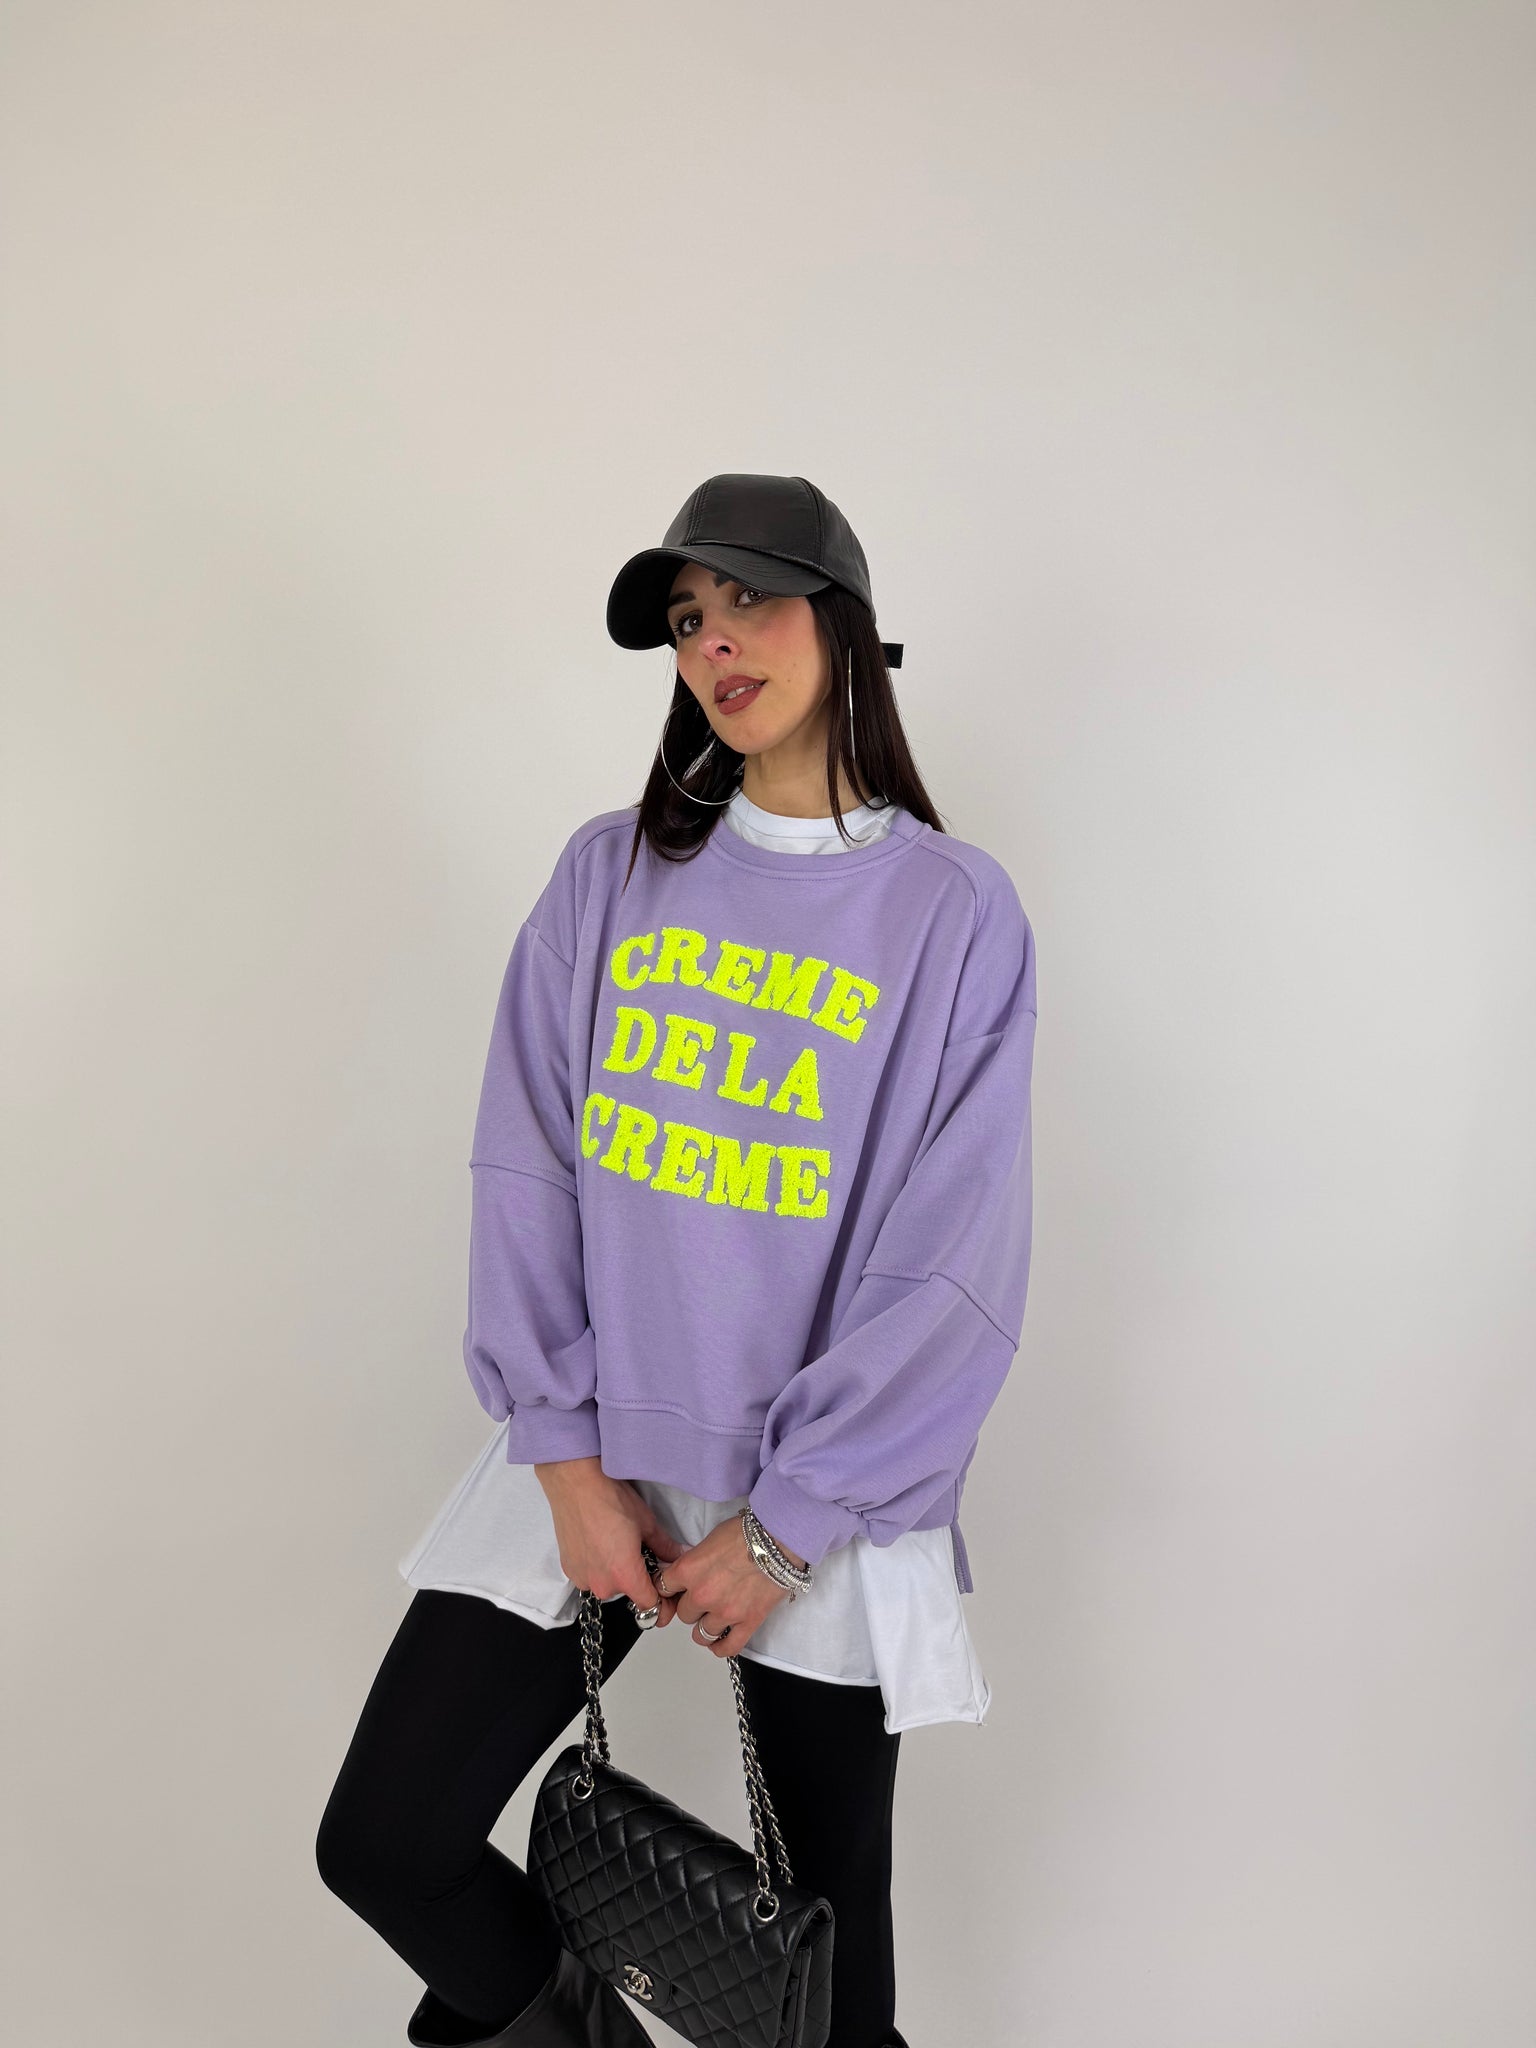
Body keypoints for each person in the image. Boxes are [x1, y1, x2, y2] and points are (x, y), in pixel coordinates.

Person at [315, 473, 1039, 2048]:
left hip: (818, 1496)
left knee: (831, 2000)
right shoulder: (612, 875)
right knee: (386, 1843)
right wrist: (568, 1460)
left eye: (750, 602)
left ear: (843, 624)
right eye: (689, 618)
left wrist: (786, 1527)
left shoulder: (951, 911)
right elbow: (527, 1165)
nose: (715, 642)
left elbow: (955, 1257)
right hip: (604, 1443)